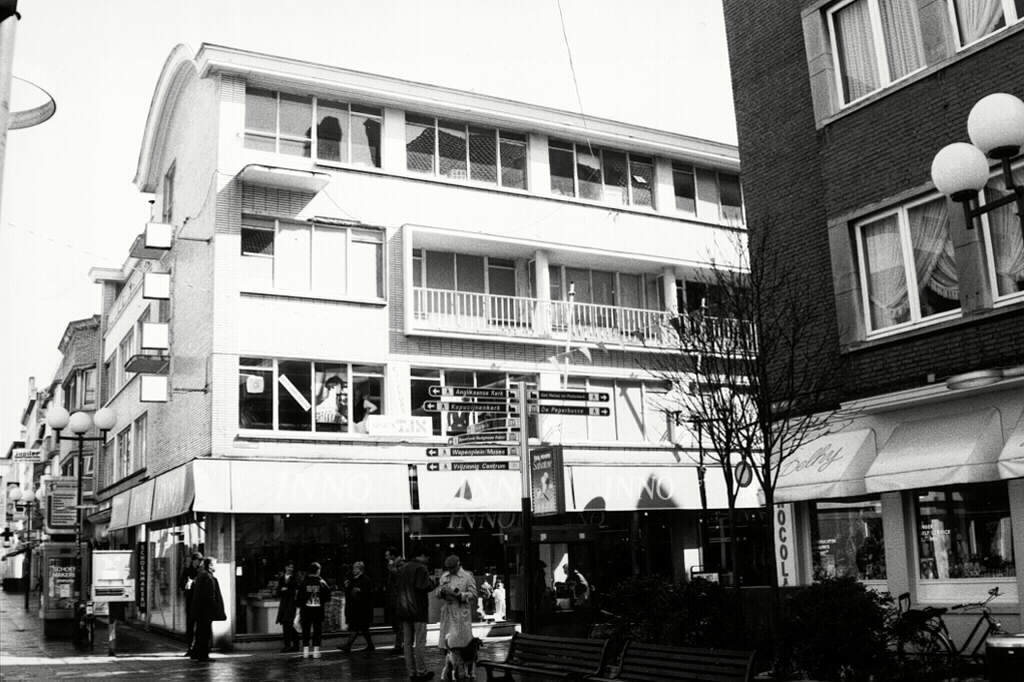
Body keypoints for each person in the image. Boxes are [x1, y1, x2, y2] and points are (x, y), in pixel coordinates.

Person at [395, 546, 437, 682]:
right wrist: (433, 582)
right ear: (423, 555)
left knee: (407, 642)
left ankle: (411, 672)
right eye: (427, 557)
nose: (427, 560)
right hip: (418, 609)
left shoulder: (403, 568)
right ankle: (421, 671)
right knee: (420, 641)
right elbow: (423, 586)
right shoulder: (421, 568)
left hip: (404, 609)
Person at [436, 555, 477, 680]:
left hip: (460, 613)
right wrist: (441, 592)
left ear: (458, 565)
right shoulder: (445, 576)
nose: (451, 570)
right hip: (448, 613)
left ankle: (464, 669)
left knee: (461, 644)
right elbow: (437, 592)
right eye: (449, 568)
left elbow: (473, 594)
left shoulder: (467, 576)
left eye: (453, 568)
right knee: (448, 643)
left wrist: (460, 595)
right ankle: (450, 668)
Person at [191, 556, 225, 662]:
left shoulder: (202, 575)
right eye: (215, 564)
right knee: (204, 633)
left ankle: (196, 653)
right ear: (210, 565)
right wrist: (214, 609)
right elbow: (210, 596)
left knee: (200, 632)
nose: (216, 566)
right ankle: (203, 655)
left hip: (200, 611)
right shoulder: (208, 577)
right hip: (205, 611)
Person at [298, 561, 331, 659]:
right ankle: (316, 651)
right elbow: (327, 597)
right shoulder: (322, 582)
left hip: (306, 610)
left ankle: (305, 651)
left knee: (306, 630)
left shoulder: (304, 582)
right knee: (317, 630)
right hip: (318, 610)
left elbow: (299, 598)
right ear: (318, 571)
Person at [339, 561, 375, 653]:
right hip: (355, 607)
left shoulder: (365, 580)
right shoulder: (353, 579)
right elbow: (349, 593)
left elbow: (367, 594)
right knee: (363, 628)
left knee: (356, 627)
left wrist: (359, 591)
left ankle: (348, 645)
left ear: (360, 569)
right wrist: (347, 587)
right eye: (353, 568)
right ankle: (370, 645)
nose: (353, 570)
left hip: (361, 609)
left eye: (355, 568)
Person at [179, 551, 203, 657]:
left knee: (200, 626)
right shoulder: (187, 571)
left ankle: (198, 648)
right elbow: (181, 584)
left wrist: (194, 582)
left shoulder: (202, 571)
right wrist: (186, 584)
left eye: (201, 560)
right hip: (190, 601)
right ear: (193, 560)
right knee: (190, 626)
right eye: (198, 560)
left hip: (199, 602)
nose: (200, 562)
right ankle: (190, 647)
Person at [275, 560, 300, 652]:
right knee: (286, 624)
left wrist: (285, 590)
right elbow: (278, 591)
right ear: (285, 567)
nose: (290, 569)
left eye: (292, 567)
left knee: (290, 624)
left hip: (291, 604)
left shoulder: (295, 578)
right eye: (289, 567)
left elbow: (294, 591)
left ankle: (293, 645)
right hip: (284, 604)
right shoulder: (281, 578)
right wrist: (284, 590)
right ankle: (289, 645)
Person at [384, 546, 405, 652]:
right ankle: (399, 643)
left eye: (387, 555)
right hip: (394, 596)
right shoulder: (394, 565)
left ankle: (399, 644)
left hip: (398, 597)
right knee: (395, 622)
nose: (386, 557)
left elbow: (398, 575)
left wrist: (391, 567)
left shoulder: (400, 564)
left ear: (392, 555)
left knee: (399, 622)